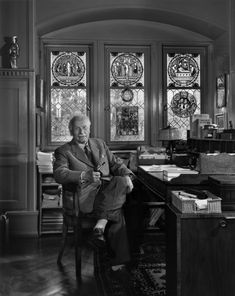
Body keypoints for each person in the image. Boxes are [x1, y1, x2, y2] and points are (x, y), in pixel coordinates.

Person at [53, 113, 134, 276]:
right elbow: (59, 174)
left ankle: (101, 225)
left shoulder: (99, 144)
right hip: (85, 197)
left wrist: (127, 176)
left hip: (107, 192)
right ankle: (117, 260)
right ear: (70, 130)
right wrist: (83, 175)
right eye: (77, 128)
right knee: (117, 211)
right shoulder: (63, 151)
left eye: (85, 128)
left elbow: (116, 164)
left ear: (90, 129)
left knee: (120, 181)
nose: (82, 132)